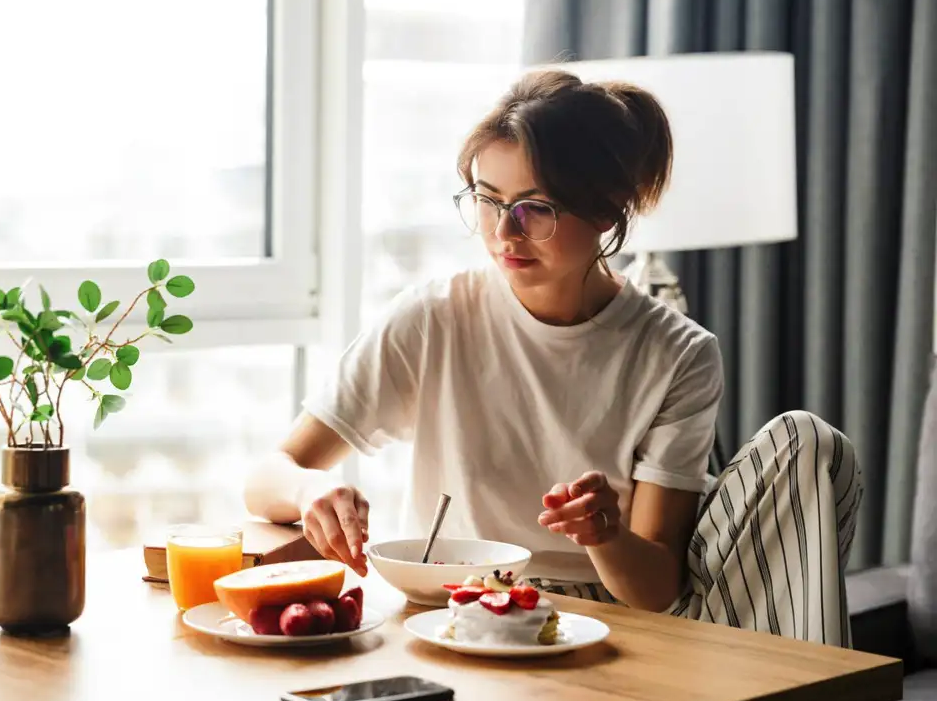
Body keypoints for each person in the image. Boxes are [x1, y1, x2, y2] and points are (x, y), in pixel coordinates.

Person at [243, 68, 863, 647]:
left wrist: (606, 534)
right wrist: (311, 490)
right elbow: (266, 478)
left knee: (810, 442)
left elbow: (652, 591)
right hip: (455, 611)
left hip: (607, 624)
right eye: (487, 200)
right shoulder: (432, 318)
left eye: (535, 208)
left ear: (606, 208)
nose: (504, 232)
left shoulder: (679, 353)